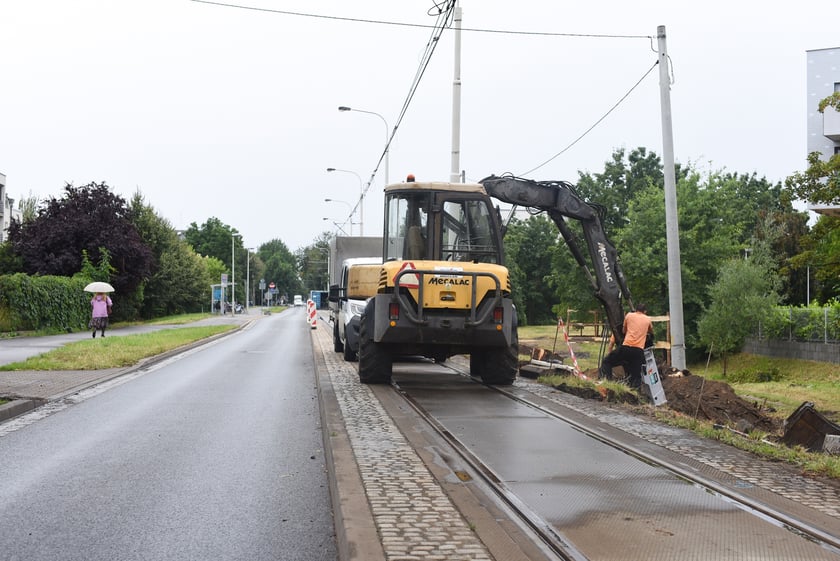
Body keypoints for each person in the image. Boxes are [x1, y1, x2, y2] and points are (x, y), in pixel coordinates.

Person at [599, 303, 654, 389]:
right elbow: (651, 332)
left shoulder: (629, 315)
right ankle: (635, 393)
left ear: (636, 309)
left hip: (626, 347)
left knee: (607, 362)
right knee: (636, 375)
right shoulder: (648, 319)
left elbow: (624, 331)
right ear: (645, 311)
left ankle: (607, 384)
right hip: (638, 351)